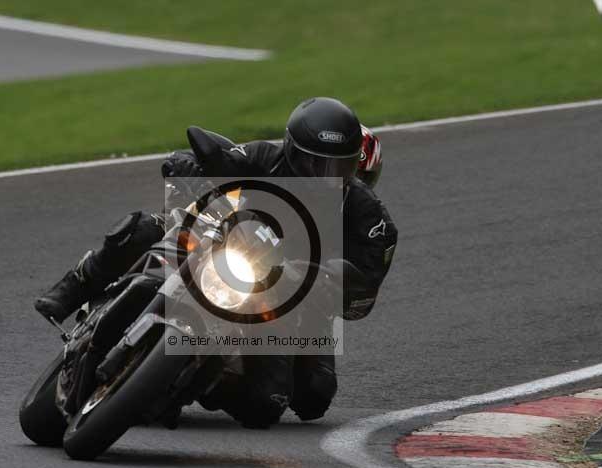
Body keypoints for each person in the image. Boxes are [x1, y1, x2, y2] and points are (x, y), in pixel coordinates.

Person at [35, 97, 397, 428]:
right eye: (316, 163)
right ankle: (73, 287)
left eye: (339, 166)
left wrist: (328, 280)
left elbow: (362, 292)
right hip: (225, 243)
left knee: (280, 401)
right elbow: (224, 160)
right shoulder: (266, 158)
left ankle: (196, 380)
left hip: (289, 293)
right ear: (292, 150)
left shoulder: (370, 218)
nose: (325, 176)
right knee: (143, 228)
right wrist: (190, 166)